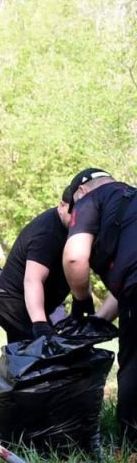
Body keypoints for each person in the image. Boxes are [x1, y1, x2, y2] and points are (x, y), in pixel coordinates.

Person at [63, 168, 137, 448]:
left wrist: (81, 300)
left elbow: (74, 259)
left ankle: (132, 449)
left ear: (80, 192)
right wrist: (101, 318)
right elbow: (127, 284)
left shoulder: (90, 200)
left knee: (133, 369)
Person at [0, 181, 83, 344]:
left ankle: (13, 368)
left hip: (33, 303)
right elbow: (33, 280)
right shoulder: (47, 233)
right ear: (62, 206)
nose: (78, 221)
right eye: (73, 215)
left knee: (29, 356)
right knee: (44, 352)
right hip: (13, 302)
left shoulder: (77, 229)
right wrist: (40, 324)